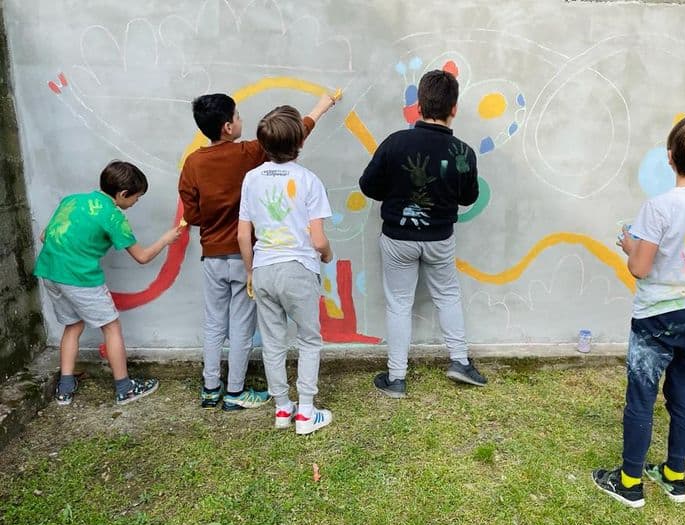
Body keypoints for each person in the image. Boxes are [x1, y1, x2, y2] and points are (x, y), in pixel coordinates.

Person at [592, 113, 685, 507]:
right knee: (682, 390)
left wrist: (628, 245)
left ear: (670, 156)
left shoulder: (657, 208)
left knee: (641, 396)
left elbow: (640, 267)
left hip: (655, 316)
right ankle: (675, 477)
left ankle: (630, 483)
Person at [180, 91, 335, 411]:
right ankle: (235, 392)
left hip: (211, 255)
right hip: (244, 257)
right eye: (237, 117)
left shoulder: (193, 162)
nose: (241, 121)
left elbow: (192, 214)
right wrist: (320, 107)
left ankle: (210, 388)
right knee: (240, 327)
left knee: (213, 324)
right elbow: (292, 133)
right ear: (226, 127)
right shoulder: (248, 155)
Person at [358, 69, 487, 399]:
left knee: (399, 304)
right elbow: (468, 198)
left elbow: (368, 185)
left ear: (418, 106)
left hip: (398, 238)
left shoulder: (395, 143)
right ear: (454, 108)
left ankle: (397, 378)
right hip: (440, 238)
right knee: (448, 296)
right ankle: (460, 361)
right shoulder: (463, 152)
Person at [34, 160, 183, 405]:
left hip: (49, 272)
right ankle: (125, 388)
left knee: (73, 326)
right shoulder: (113, 216)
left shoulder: (71, 200)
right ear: (123, 194)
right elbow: (143, 257)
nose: (136, 202)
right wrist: (166, 239)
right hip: (80, 278)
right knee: (111, 327)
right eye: (136, 197)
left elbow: (44, 235)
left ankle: (65, 387)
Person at [238, 105, 334, 435]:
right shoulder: (309, 180)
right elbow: (318, 239)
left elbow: (242, 234)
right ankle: (306, 412)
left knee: (273, 341)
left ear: (263, 144)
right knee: (309, 339)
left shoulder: (251, 179)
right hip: (298, 268)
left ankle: (282, 408)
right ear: (300, 142)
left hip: (263, 268)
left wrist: (251, 271)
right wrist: (326, 255)